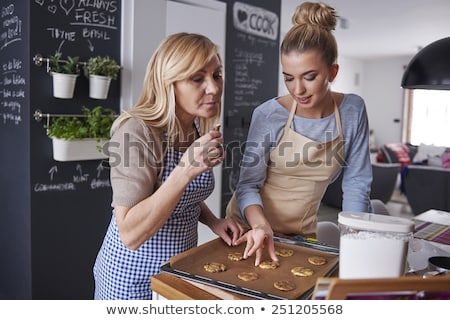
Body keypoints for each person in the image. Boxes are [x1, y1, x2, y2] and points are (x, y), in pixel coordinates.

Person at [93, 32, 244, 299]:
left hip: (175, 271)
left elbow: (181, 196)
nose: (214, 88)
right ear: (168, 82)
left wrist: (214, 222)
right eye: (197, 79)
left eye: (217, 75)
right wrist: (185, 169)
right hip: (130, 278)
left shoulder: (194, 128)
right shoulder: (136, 133)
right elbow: (129, 233)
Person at [226, 2, 372, 265]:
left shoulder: (353, 110)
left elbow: (356, 186)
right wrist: (261, 227)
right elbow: (248, 185)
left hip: (301, 234)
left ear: (333, 72)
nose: (298, 90)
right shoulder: (269, 115)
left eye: (309, 76)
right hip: (250, 230)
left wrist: (357, 245)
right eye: (289, 78)